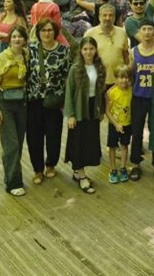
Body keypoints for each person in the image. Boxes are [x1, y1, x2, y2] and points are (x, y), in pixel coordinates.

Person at [0, 24, 29, 197]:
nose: (17, 39)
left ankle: (10, 176)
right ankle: (13, 183)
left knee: (18, 141)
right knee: (11, 144)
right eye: (14, 37)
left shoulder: (27, 55)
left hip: (22, 103)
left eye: (20, 36)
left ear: (25, 39)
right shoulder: (1, 58)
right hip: (5, 103)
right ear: (10, 40)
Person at [26, 18, 70, 185]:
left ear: (55, 32)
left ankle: (51, 164)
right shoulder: (30, 49)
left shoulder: (63, 51)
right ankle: (37, 169)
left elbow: (67, 76)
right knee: (34, 137)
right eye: (43, 30)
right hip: (33, 100)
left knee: (53, 135)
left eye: (50, 30)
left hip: (54, 100)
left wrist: (66, 102)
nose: (47, 33)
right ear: (38, 32)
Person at [64, 37, 106, 194]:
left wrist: (101, 110)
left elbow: (102, 91)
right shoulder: (75, 69)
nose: (88, 52)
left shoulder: (99, 67)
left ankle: (77, 171)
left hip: (92, 109)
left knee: (89, 141)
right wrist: (71, 115)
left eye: (91, 49)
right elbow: (69, 92)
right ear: (81, 51)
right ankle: (81, 176)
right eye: (85, 49)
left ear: (95, 50)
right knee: (78, 142)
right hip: (79, 109)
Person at [129, 19, 154, 182]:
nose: (146, 32)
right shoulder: (133, 51)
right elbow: (130, 73)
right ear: (140, 31)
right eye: (143, 29)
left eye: (149, 29)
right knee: (136, 131)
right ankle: (136, 164)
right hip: (138, 96)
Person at [83, 3, 129, 88]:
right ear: (99, 17)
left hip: (119, 82)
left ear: (114, 18)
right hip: (98, 82)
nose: (107, 18)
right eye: (105, 15)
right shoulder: (90, 34)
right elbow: (84, 58)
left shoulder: (122, 33)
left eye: (110, 15)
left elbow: (126, 55)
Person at [105, 64, 132, 184]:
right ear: (116, 78)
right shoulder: (111, 93)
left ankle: (122, 167)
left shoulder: (131, 90)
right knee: (112, 146)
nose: (124, 80)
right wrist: (115, 124)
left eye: (126, 77)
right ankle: (112, 169)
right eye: (121, 77)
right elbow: (107, 111)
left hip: (127, 123)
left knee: (125, 146)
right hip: (114, 125)